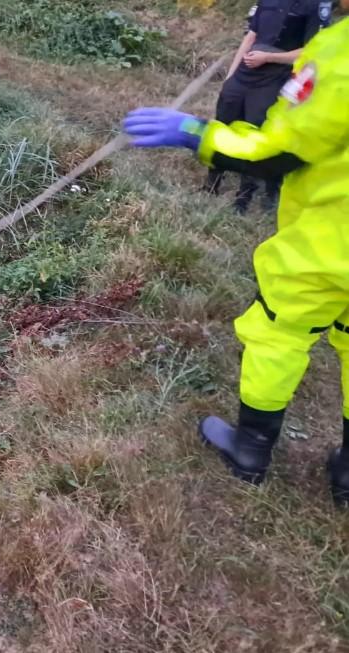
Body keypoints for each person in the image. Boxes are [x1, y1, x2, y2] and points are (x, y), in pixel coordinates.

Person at [122, 4, 349, 506]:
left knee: (278, 332)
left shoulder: (339, 54)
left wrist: (195, 134)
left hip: (332, 241)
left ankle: (250, 450)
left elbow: (278, 152)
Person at [204, 0, 332, 214]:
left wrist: (269, 57)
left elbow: (310, 52)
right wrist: (231, 76)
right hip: (245, 73)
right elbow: (251, 36)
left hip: (274, 78)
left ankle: (244, 197)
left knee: (252, 131)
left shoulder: (314, 6)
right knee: (222, 123)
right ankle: (211, 183)